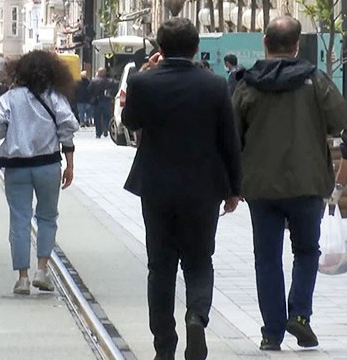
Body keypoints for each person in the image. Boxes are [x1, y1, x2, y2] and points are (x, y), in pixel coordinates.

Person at [121, 18, 242, 360]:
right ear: (195, 47)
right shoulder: (216, 85)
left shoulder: (143, 82)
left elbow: (130, 122)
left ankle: (164, 347)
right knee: (200, 261)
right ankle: (196, 317)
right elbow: (229, 140)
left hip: (156, 187)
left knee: (160, 268)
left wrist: (145, 72)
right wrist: (234, 188)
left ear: (160, 47)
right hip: (203, 189)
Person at [232, 16, 347, 351]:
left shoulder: (247, 83)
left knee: (266, 257)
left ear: (265, 42)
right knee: (307, 250)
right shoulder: (317, 81)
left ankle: (271, 332)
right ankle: (300, 315)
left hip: (260, 185)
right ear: (297, 46)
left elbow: (231, 132)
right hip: (307, 182)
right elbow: (340, 120)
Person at [0, 50, 78, 295]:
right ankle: (42, 270)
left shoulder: (8, 99)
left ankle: (22, 277)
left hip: (16, 167)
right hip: (48, 165)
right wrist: (69, 165)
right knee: (48, 217)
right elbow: (67, 131)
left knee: (19, 219)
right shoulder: (55, 98)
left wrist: (15, 130)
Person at [88, 67, 117, 138]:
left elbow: (89, 90)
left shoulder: (94, 81)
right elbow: (114, 90)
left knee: (97, 118)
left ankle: (98, 133)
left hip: (97, 102)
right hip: (107, 101)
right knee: (107, 117)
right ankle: (106, 130)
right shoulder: (110, 81)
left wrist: (92, 98)